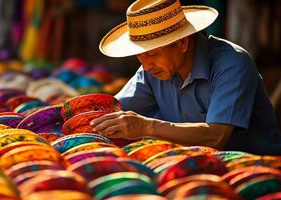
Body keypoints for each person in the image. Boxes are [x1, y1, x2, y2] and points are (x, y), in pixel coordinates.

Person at [90, 0, 281, 155]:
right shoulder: (152, 71)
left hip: (256, 171)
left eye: (152, 54)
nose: (146, 65)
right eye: (140, 56)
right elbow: (110, 112)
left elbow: (216, 136)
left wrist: (146, 126)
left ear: (181, 42)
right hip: (196, 166)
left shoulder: (232, 63)